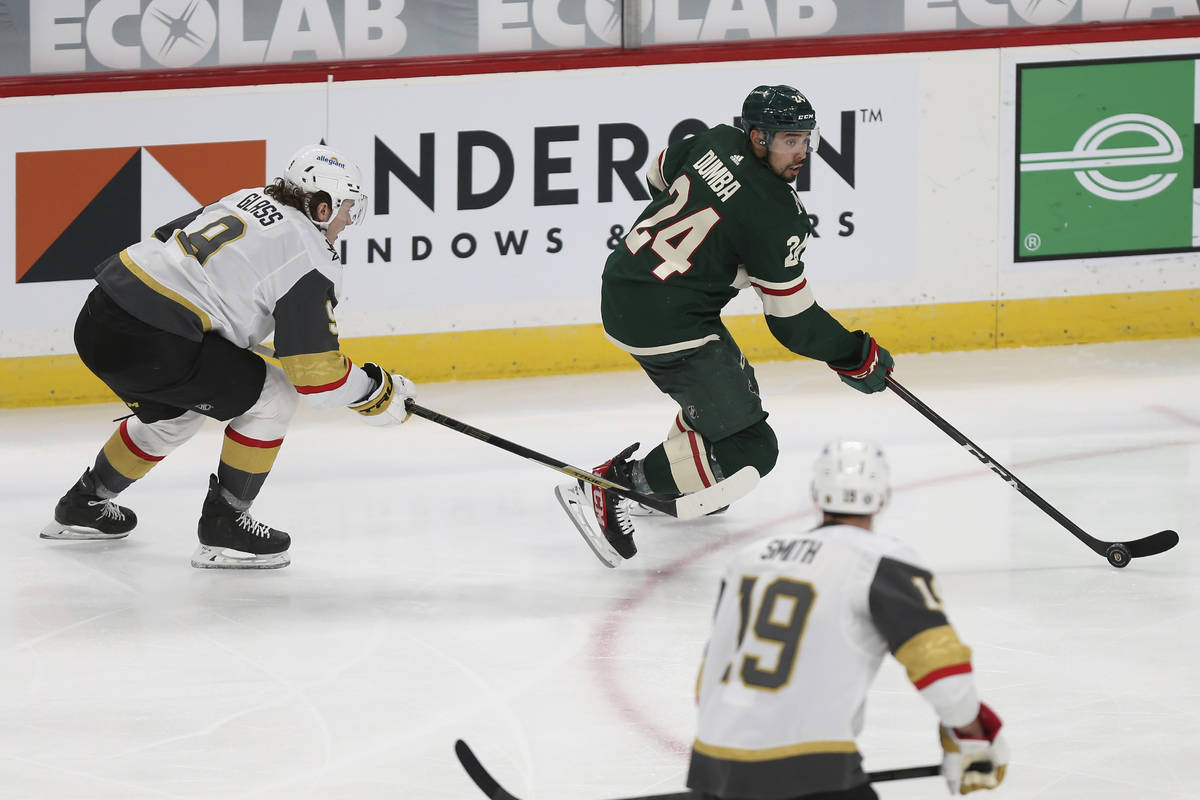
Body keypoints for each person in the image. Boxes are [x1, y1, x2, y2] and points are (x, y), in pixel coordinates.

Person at [558, 85, 895, 564]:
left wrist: (710, 240)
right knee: (752, 448)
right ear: (758, 137)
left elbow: (655, 175)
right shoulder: (777, 214)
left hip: (626, 282)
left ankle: (676, 472)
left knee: (736, 388)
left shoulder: (713, 139)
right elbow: (793, 323)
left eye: (805, 140)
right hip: (667, 321)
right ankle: (619, 484)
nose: (801, 153)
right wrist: (855, 355)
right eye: (788, 142)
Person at [38, 144, 416, 570]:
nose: (350, 219)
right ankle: (226, 526)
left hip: (99, 315)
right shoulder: (311, 256)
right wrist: (374, 391)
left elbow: (168, 241)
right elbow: (316, 378)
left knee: (176, 416)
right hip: (157, 344)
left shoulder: (246, 197)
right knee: (274, 397)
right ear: (322, 205)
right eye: (348, 207)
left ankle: (83, 506)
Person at [686, 441, 1009, 799]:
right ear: (883, 498)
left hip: (712, 764)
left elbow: (709, 679)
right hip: (812, 770)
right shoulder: (882, 562)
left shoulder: (749, 559)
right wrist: (972, 736)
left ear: (815, 494)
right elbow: (944, 675)